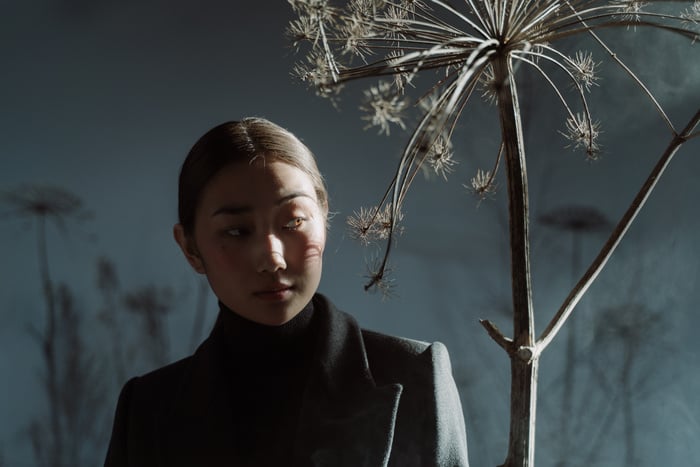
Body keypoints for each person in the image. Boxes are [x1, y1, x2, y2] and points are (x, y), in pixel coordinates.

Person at [104, 117, 469, 467]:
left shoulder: (414, 374)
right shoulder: (148, 409)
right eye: (236, 231)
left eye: (293, 221)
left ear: (324, 221)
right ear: (190, 248)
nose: (272, 258)